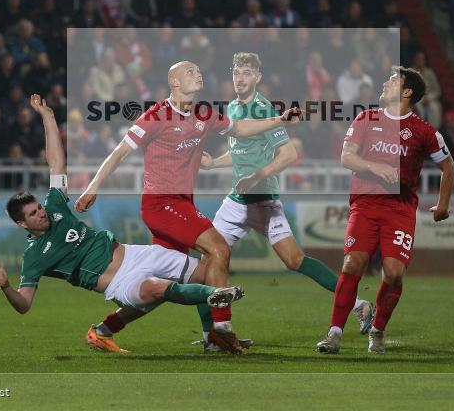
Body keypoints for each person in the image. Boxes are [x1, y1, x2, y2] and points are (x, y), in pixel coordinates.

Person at [0, 95, 245, 353]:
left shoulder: (54, 206)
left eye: (38, 207)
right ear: (22, 224)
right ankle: (214, 301)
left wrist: (48, 117)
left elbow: (56, 164)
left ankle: (214, 336)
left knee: (208, 269)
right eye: (33, 214)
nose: (41, 213)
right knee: (159, 290)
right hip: (118, 282)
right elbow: (24, 304)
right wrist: (7, 286)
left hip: (133, 253)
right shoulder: (34, 257)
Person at [76, 60, 301, 353]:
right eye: (190, 71)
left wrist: (279, 119)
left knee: (171, 284)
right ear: (175, 83)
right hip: (160, 204)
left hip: (181, 203)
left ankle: (103, 330)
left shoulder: (204, 114)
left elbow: (242, 129)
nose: (198, 74)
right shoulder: (155, 117)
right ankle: (221, 331)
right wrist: (93, 187)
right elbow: (119, 153)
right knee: (219, 249)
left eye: (198, 70)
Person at [199, 53, 375, 350]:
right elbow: (241, 150)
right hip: (236, 200)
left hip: (264, 198)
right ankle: (214, 335)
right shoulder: (232, 107)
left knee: (294, 260)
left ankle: (359, 304)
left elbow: (289, 154)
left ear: (257, 77)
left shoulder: (263, 108)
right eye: (236, 72)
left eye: (246, 73)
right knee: (208, 262)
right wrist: (214, 164)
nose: (239, 78)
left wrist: (257, 177)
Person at [316, 66, 454, 354]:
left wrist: (443, 204)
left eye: (393, 81)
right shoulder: (366, 118)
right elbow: (347, 157)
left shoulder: (423, 131)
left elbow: (448, 166)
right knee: (352, 263)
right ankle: (334, 334)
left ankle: (377, 330)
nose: (385, 83)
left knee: (393, 274)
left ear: (406, 92)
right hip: (365, 204)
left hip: (399, 209)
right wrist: (374, 166)